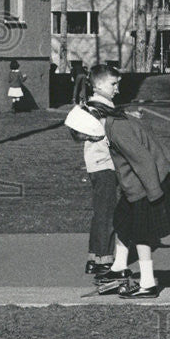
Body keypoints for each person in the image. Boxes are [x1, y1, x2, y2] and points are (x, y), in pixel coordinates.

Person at [86, 64, 170, 299]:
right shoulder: (111, 119)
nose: (118, 89)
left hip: (146, 184)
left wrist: (153, 193)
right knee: (122, 221)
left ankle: (148, 284)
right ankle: (119, 267)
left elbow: (142, 160)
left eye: (116, 84)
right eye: (114, 84)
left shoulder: (115, 126)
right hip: (136, 185)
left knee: (142, 234)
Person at [64, 104, 118, 276]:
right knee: (107, 215)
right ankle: (104, 259)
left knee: (100, 213)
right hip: (105, 169)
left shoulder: (89, 116)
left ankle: (93, 258)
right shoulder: (96, 118)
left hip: (95, 169)